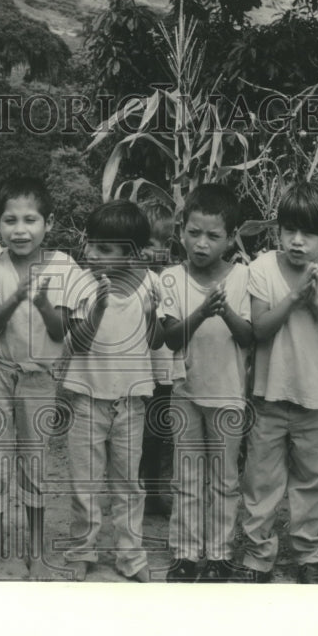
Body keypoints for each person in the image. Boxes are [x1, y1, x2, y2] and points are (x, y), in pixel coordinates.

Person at [240, 180, 318, 584]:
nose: (296, 241)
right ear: (278, 230)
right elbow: (259, 329)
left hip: (316, 400)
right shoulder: (260, 270)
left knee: (311, 482)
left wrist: (314, 303)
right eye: (288, 230)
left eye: (307, 233)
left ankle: (309, 555)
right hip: (268, 399)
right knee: (262, 482)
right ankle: (259, 556)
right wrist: (294, 299)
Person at [0, 176, 79, 578]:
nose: (20, 230)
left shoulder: (64, 266)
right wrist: (17, 295)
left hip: (40, 377)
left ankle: (35, 546)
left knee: (33, 461)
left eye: (30, 220)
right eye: (10, 220)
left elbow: (59, 332)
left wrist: (42, 302)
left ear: (48, 223)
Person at [61, 200, 164, 582]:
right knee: (84, 483)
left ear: (131, 254)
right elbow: (78, 345)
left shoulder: (150, 283)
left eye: (104, 249)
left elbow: (154, 342)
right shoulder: (81, 285)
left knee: (128, 485)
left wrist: (152, 315)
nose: (90, 253)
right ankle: (82, 552)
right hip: (87, 398)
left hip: (131, 403)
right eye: (91, 244)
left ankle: (130, 556)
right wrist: (99, 308)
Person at [160, 184, 253, 582]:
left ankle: (218, 555)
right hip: (185, 393)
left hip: (229, 394)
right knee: (187, 475)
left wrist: (224, 311)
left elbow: (249, 336)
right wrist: (201, 312)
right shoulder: (170, 278)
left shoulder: (244, 278)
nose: (201, 243)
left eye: (213, 236)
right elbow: (171, 337)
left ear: (231, 239)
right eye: (194, 233)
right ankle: (184, 553)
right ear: (181, 230)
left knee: (224, 478)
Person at [137, 198, 179, 518]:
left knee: (160, 434)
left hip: (166, 370)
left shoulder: (172, 278)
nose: (156, 252)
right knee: (146, 435)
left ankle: (153, 492)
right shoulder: (137, 279)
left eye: (164, 244)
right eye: (149, 244)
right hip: (143, 372)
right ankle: (145, 493)